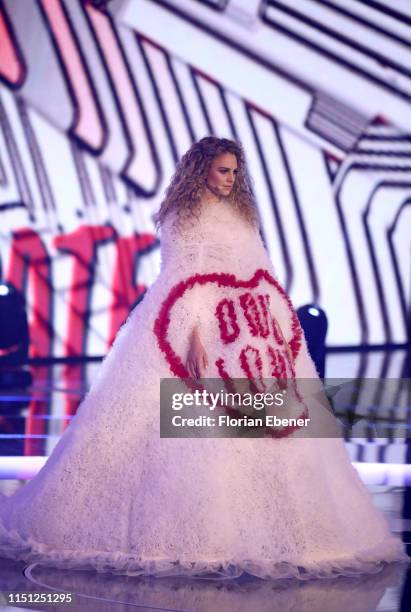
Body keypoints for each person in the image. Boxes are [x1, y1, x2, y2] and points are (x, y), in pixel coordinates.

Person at [0, 137, 408, 580]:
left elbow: (258, 269)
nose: (231, 180)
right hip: (195, 322)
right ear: (201, 169)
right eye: (222, 171)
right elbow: (183, 274)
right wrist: (193, 335)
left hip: (247, 329)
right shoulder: (182, 214)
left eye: (235, 171)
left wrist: (271, 322)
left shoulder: (242, 213)